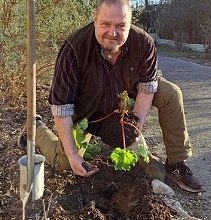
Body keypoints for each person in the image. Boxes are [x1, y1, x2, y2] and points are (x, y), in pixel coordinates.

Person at [19, 0, 201, 193]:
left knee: (171, 93)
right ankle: (35, 127)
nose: (112, 33)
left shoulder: (144, 42)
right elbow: (62, 107)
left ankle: (176, 163)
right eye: (105, 24)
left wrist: (134, 128)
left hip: (126, 98)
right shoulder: (73, 50)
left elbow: (147, 88)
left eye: (121, 26)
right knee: (64, 163)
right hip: (89, 110)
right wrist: (73, 154)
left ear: (130, 24)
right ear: (94, 20)